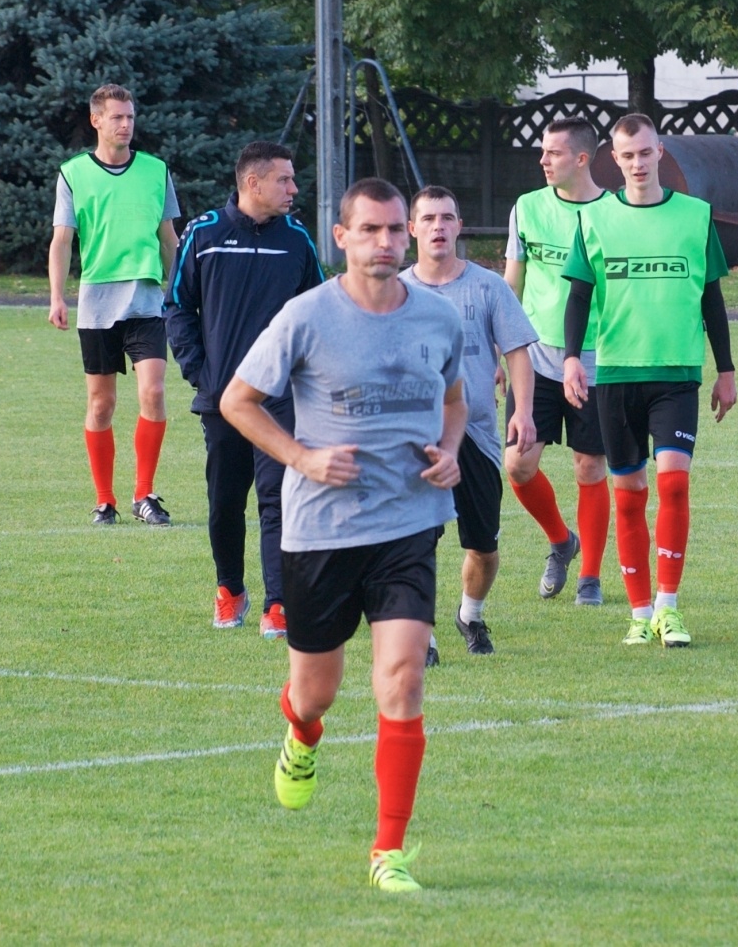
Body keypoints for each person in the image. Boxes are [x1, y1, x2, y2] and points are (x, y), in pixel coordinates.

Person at [221, 177, 466, 893]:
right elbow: (239, 401)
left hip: (408, 525)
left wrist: (451, 450)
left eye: (396, 230)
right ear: (342, 237)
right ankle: (301, 734)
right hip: (321, 532)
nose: (387, 243)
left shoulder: (437, 319)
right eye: (371, 231)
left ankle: (387, 852)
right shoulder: (305, 317)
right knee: (317, 691)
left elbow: (454, 399)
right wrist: (301, 457)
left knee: (403, 676)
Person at [561, 113, 736, 648]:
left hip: (677, 373)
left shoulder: (695, 215)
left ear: (660, 152)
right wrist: (571, 358)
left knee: (674, 482)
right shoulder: (594, 220)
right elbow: (579, 296)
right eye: (627, 155)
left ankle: (668, 606)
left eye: (645, 152)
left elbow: (711, 296)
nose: (637, 163)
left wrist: (725, 369)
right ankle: (639, 613)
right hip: (615, 374)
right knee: (630, 493)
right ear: (614, 159)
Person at [166, 141, 324, 635]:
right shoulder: (205, 233)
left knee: (278, 497)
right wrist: (202, 375)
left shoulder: (297, 238)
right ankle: (229, 590)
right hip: (223, 399)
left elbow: (318, 309)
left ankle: (278, 602)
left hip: (281, 398)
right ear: (252, 183)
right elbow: (177, 307)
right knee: (225, 502)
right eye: (284, 180)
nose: (293, 189)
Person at [401, 185, 538, 656]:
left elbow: (519, 351)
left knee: (482, 546)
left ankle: (470, 616)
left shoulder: (488, 286)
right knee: (416, 543)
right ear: (411, 229)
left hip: (476, 436)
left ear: (460, 227)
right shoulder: (395, 292)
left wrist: (522, 410)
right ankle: (423, 634)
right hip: (416, 441)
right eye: (429, 219)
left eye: (447, 218)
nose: (438, 227)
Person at [46, 84, 180, 525]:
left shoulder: (156, 171)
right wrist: (56, 296)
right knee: (101, 405)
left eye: (130, 117)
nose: (126, 125)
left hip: (145, 299)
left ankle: (145, 495)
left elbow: (168, 239)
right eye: (117, 117)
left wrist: (179, 292)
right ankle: (105, 501)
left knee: (154, 392)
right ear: (96, 120)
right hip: (97, 303)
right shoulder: (73, 174)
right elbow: (62, 241)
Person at [503, 116, 613, 606]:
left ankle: (590, 576)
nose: (542, 160)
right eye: (543, 152)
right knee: (519, 465)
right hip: (534, 358)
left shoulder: (616, 212)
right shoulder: (526, 207)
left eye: (553, 153)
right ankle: (561, 540)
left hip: (597, 359)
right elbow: (512, 285)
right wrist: (495, 348)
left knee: (590, 467)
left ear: (582, 159)